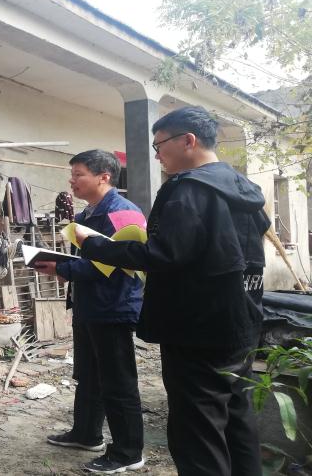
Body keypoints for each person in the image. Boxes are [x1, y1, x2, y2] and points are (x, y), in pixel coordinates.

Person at [74, 106, 270, 476]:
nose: (157, 155)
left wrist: (94, 244)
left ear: (188, 141)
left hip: (196, 328)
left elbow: (162, 254)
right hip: (242, 320)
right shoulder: (243, 189)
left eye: (159, 146)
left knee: (198, 433)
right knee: (236, 420)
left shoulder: (188, 190)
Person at [36, 150, 145, 474]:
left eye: (79, 174)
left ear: (104, 177)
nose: (72, 181)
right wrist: (61, 266)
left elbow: (123, 263)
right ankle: (86, 434)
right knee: (88, 375)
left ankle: (128, 452)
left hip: (114, 308)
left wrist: (63, 269)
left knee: (118, 381)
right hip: (88, 306)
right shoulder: (85, 215)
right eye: (72, 175)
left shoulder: (124, 213)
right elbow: (87, 261)